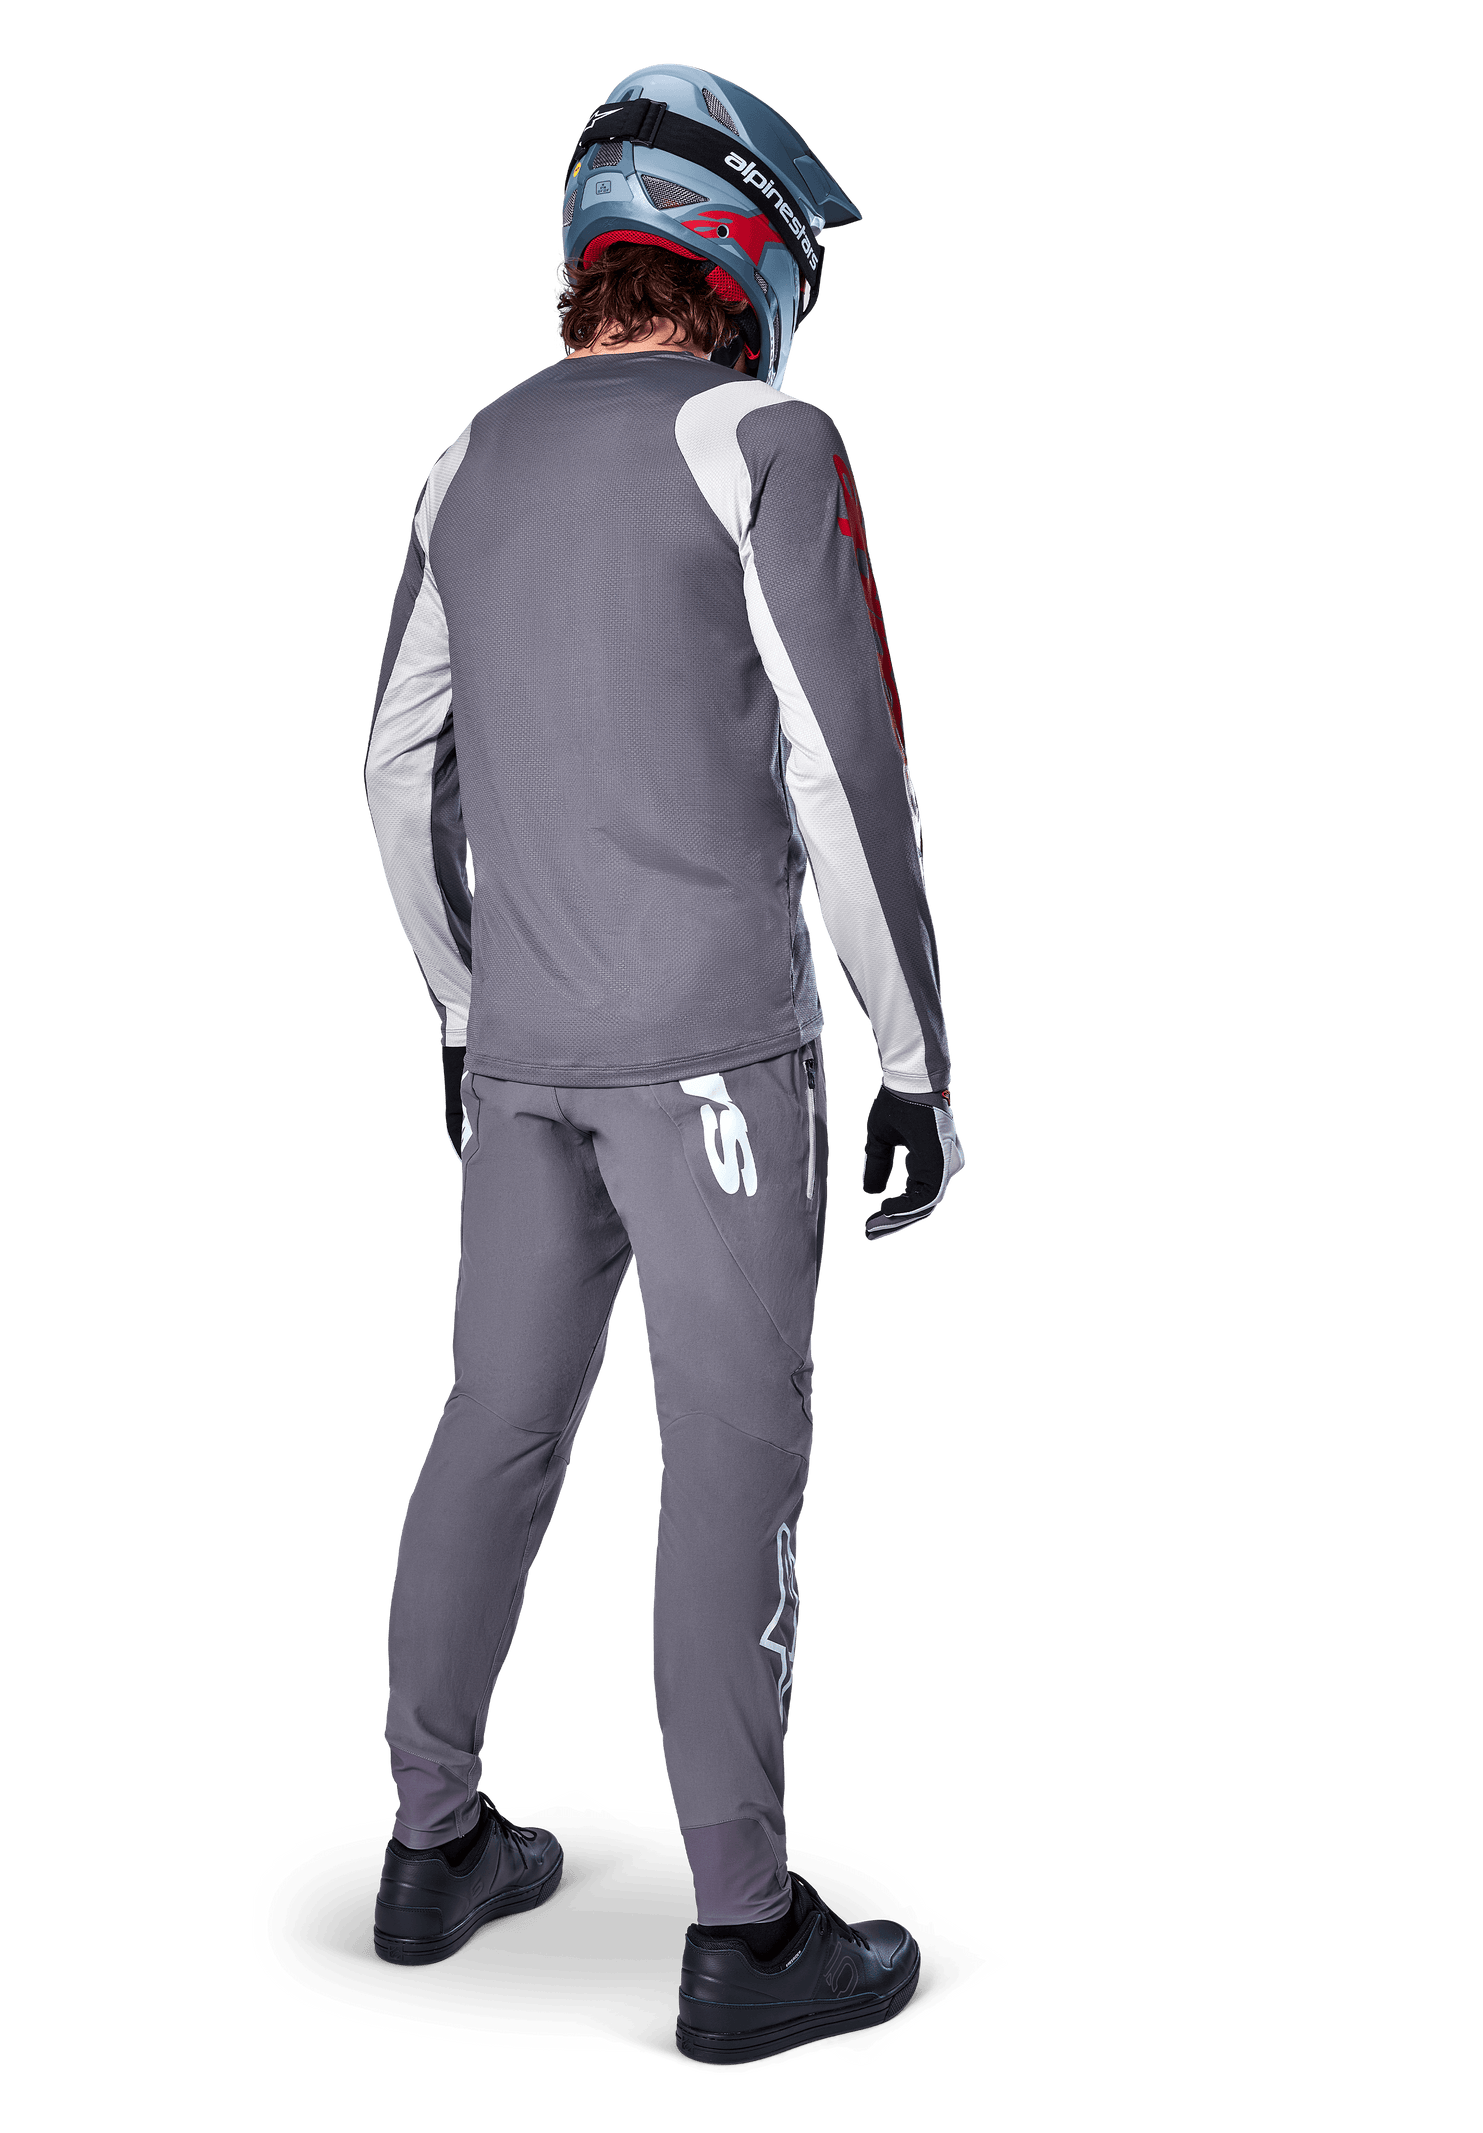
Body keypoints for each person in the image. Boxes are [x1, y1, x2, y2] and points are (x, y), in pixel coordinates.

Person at [360, 62, 965, 2068]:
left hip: (522, 1055)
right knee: (728, 1456)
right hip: (709, 1053)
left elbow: (391, 774)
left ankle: (430, 1855)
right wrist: (915, 1058)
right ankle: (745, 1937)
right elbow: (847, 772)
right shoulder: (761, 436)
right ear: (748, 254)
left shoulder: (466, 456)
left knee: (493, 1426)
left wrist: (463, 1005)